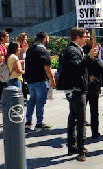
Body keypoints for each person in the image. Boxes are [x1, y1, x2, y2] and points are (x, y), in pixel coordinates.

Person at [57, 28, 93, 161]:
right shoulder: (73, 50)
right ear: (77, 37)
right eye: (84, 36)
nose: (86, 39)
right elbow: (77, 68)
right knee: (80, 119)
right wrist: (88, 58)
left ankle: (72, 145)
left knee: (73, 117)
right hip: (76, 89)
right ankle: (81, 149)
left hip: (74, 88)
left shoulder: (75, 49)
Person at [24, 32, 56, 130]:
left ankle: (28, 122)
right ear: (45, 39)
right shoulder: (43, 51)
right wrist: (52, 80)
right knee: (40, 102)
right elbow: (47, 68)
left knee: (32, 100)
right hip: (40, 79)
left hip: (30, 79)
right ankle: (39, 123)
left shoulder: (30, 50)